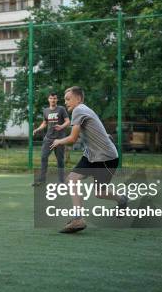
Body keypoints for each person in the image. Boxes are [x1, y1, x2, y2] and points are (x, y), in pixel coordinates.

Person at [50, 86, 128, 233]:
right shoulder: (84, 110)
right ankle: (78, 219)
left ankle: (122, 199)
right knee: (72, 179)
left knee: (100, 193)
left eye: (68, 99)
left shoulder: (79, 110)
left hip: (106, 158)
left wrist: (59, 141)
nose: (65, 102)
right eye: (65, 100)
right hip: (91, 156)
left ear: (78, 98)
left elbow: (72, 139)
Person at [32, 92, 69, 186]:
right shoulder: (45, 110)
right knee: (43, 157)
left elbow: (68, 121)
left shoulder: (61, 109)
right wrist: (37, 129)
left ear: (57, 100)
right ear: (48, 99)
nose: (53, 100)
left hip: (59, 139)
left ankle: (61, 181)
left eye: (55, 98)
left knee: (60, 160)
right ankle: (41, 180)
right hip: (48, 139)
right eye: (51, 98)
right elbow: (44, 123)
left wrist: (61, 126)